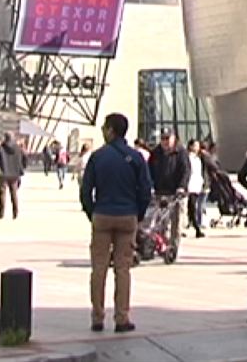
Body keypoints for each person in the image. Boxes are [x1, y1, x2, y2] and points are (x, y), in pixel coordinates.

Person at [80, 113, 153, 333]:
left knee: (99, 268)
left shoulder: (98, 157)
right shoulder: (136, 157)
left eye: (104, 127)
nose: (103, 131)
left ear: (111, 130)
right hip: (127, 215)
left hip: (102, 214)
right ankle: (122, 317)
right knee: (123, 269)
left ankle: (97, 317)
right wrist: (137, 214)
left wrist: (91, 212)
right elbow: (146, 190)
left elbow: (86, 190)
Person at [148, 130, 190, 261]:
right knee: (161, 223)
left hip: (176, 193)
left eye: (167, 138)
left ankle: (173, 247)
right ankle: (163, 245)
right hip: (160, 192)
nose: (165, 142)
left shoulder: (181, 152)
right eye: (163, 139)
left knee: (176, 223)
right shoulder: (155, 153)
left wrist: (182, 187)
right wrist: (150, 185)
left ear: (173, 138)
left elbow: (186, 171)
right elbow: (149, 171)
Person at [0, 133, 26, 220]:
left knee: (2, 193)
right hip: (14, 173)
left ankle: (1, 213)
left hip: (3, 173)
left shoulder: (0, 148)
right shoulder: (18, 148)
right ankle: (15, 212)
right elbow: (25, 157)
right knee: (14, 193)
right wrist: (21, 168)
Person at [185, 139, 209, 238]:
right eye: (195, 145)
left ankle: (195, 226)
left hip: (196, 185)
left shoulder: (198, 158)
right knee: (191, 207)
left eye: (198, 146)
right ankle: (196, 227)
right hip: (189, 186)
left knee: (191, 207)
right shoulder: (187, 158)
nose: (197, 148)